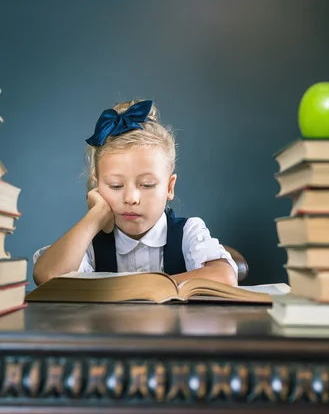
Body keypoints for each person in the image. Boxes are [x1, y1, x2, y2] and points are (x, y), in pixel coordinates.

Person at [33, 99, 238, 287]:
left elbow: (225, 277)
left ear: (169, 187)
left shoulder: (188, 232)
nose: (131, 198)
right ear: (98, 187)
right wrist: (96, 215)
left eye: (147, 185)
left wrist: (145, 287)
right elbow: (47, 277)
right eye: (115, 186)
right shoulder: (89, 245)